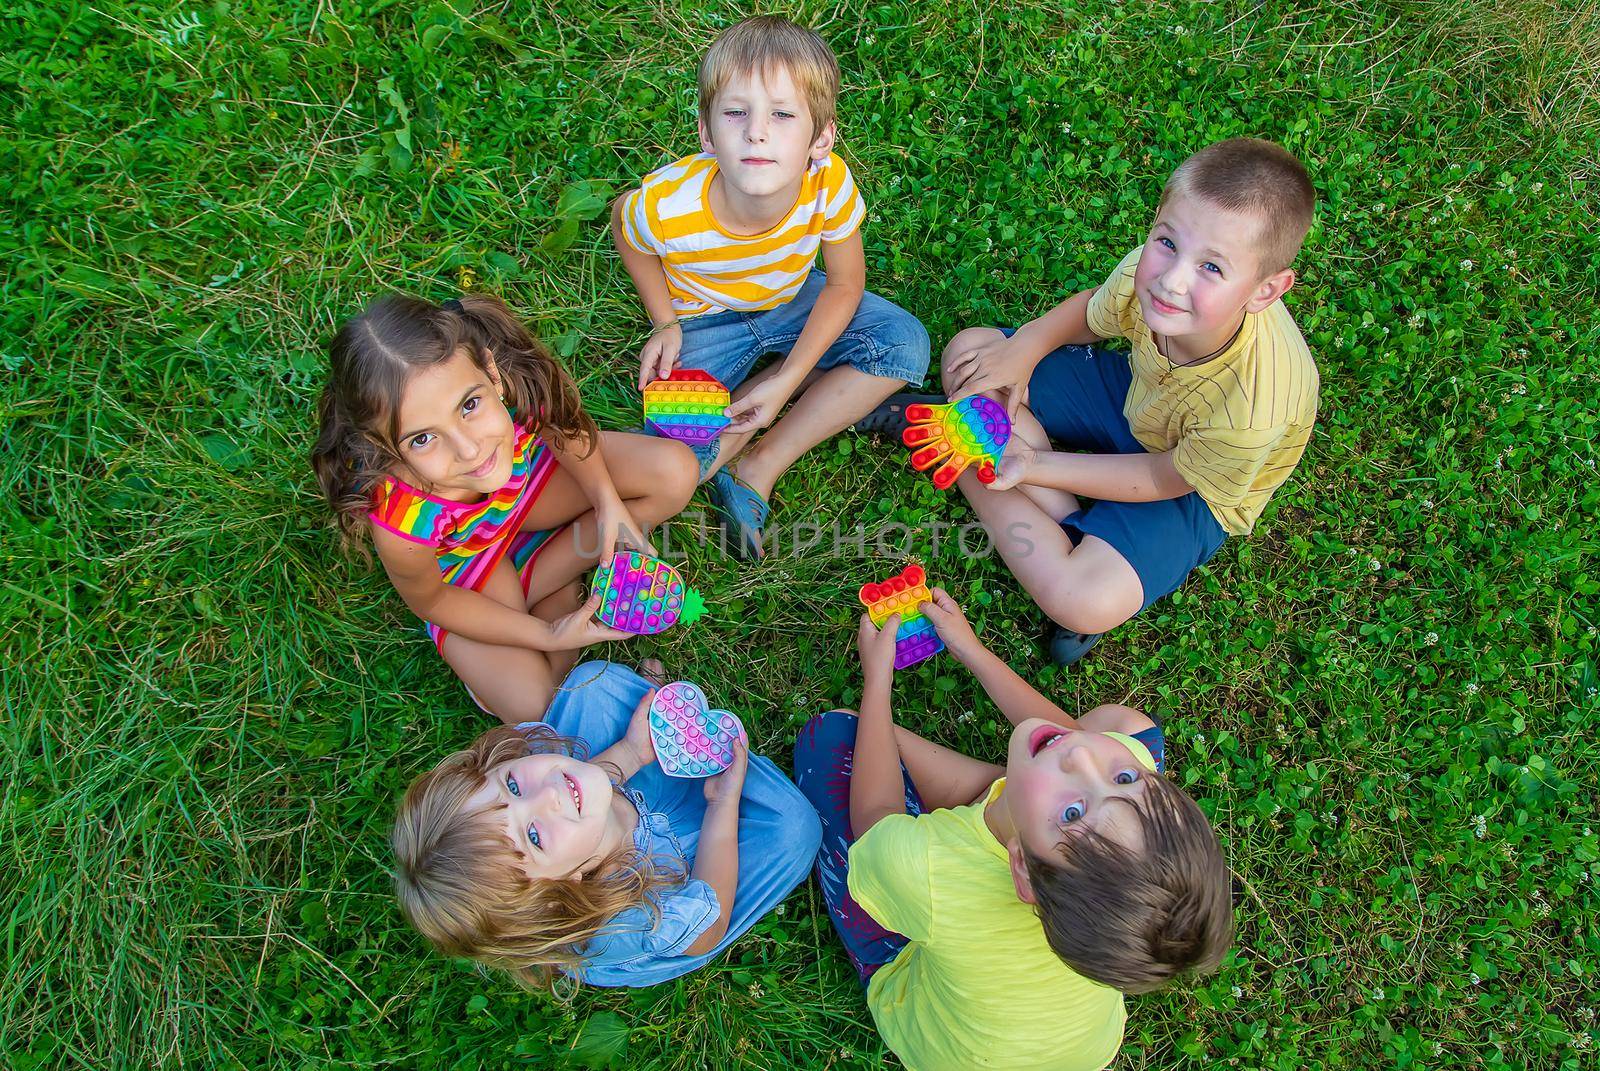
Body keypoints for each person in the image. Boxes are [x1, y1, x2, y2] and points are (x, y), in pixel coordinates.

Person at [861, 138, 1319, 664]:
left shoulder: (1254, 408)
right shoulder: (1149, 275)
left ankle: (958, 441)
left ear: (1265, 290)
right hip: (1133, 392)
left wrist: (1034, 465)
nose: (1171, 280)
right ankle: (1054, 510)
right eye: (1167, 242)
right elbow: (1087, 315)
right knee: (972, 356)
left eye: (1212, 269)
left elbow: (1163, 477)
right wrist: (1026, 347)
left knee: (1083, 600)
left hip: (1189, 484)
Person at [794, 591, 1232, 1070]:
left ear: (1019, 864)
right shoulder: (1106, 909)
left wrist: (876, 680)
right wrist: (971, 650)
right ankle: (1024, 797)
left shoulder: (930, 875)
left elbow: (876, 814)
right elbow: (1070, 738)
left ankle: (1010, 793)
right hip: (1082, 1051)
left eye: (1072, 814)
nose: (1084, 756)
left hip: (940, 1035)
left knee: (835, 735)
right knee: (1126, 727)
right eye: (1125, 779)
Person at [613, 15, 929, 559]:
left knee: (903, 343)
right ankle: (740, 429)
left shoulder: (827, 183)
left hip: (793, 299)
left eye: (782, 115)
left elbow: (846, 285)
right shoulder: (669, 205)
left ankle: (759, 465)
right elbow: (627, 228)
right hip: (701, 321)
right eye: (736, 113)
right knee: (676, 461)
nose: (756, 132)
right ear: (707, 133)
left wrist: (786, 380)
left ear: (821, 139)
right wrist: (663, 320)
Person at [310, 294, 697, 722]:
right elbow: (433, 600)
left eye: (469, 407)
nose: (469, 449)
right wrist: (548, 633)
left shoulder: (512, 377)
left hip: (529, 486)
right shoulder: (400, 519)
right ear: (382, 447)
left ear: (492, 375)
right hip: (471, 567)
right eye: (422, 439)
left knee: (674, 473)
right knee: (540, 709)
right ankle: (544, 592)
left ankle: (543, 583)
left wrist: (607, 503)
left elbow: (564, 430)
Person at [391, 660, 822, 988]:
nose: (550, 794)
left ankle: (671, 735)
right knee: (795, 829)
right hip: (678, 873)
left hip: (613, 807)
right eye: (534, 836)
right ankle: (711, 766)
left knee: (589, 684)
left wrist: (631, 753)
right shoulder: (635, 921)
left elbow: (579, 782)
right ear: (560, 892)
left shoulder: (563, 799)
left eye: (512, 786)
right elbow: (706, 928)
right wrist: (722, 805)